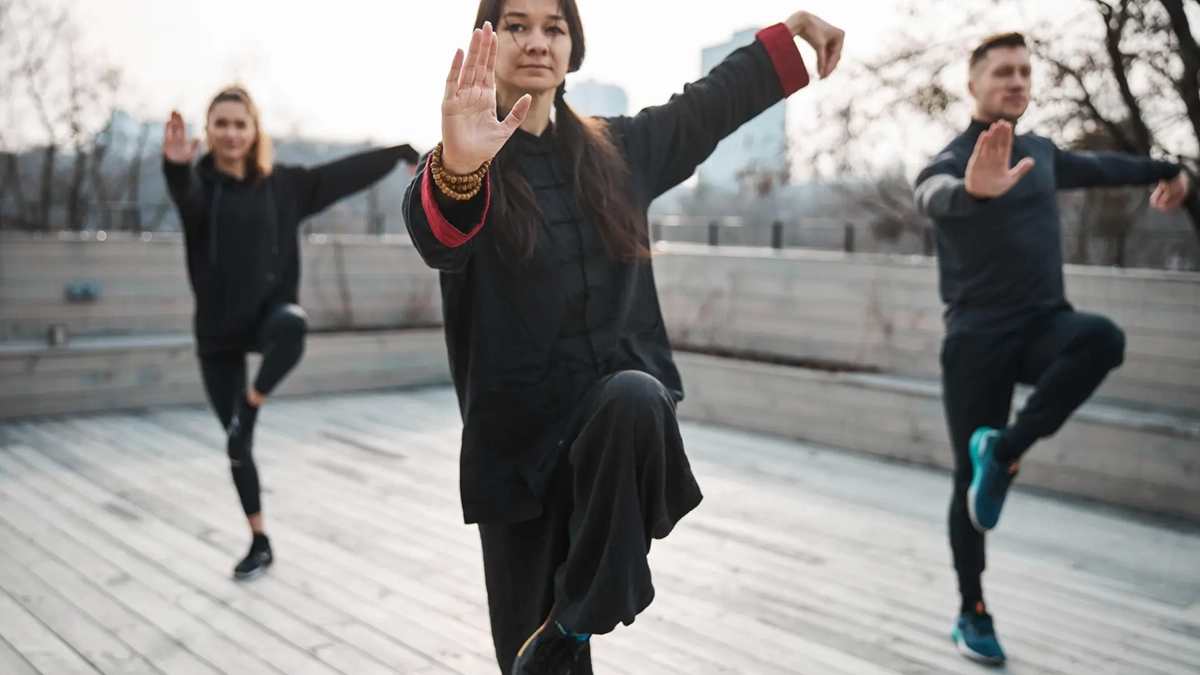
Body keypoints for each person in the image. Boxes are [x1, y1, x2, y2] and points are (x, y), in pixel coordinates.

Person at [402, 1, 844, 672]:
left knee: (638, 394)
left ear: (573, 44)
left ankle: (582, 609)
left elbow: (707, 105)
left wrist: (795, 32)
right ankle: (572, 625)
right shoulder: (467, 160)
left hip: (613, 437)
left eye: (554, 26)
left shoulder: (621, 149)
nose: (537, 41)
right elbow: (437, 235)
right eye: (516, 25)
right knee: (535, 660)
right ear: (487, 42)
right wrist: (460, 167)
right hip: (517, 452)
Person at [913, 32, 1191, 665]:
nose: (1016, 81)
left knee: (1102, 340)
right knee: (966, 487)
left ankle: (1004, 450)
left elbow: (1108, 168)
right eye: (1002, 72)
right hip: (977, 342)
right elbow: (933, 196)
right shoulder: (951, 159)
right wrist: (975, 189)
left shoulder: (1040, 153)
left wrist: (1171, 168)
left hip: (1042, 326)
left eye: (1023, 72)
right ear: (973, 84)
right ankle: (972, 610)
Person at [161, 86, 419, 581]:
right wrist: (175, 167)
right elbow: (185, 194)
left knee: (294, 326)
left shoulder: (285, 186)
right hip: (218, 333)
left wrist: (400, 152)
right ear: (209, 131)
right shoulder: (200, 188)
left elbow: (344, 175)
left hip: (268, 318)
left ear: (255, 130)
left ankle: (252, 407)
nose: (232, 133)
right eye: (221, 124)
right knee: (237, 445)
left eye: (240, 123)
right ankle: (259, 539)